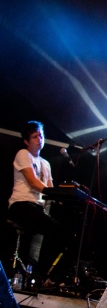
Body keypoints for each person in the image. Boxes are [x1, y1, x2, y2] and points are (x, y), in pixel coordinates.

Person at [7, 121, 64, 286]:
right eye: (35, 136)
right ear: (26, 141)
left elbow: (51, 189)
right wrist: (51, 193)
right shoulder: (23, 154)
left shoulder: (46, 163)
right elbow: (33, 182)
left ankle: (40, 274)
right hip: (21, 205)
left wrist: (65, 196)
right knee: (54, 230)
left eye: (41, 135)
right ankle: (38, 274)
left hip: (36, 208)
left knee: (58, 231)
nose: (40, 138)